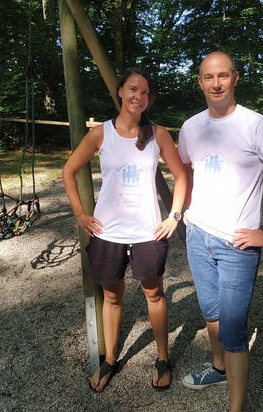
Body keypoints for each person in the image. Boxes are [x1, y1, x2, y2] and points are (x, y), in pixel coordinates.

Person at [178, 52, 263, 411]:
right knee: (211, 313)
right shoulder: (190, 127)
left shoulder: (255, 125)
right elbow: (184, 170)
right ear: (200, 82)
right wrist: (184, 212)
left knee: (233, 333)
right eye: (208, 77)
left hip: (237, 245)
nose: (216, 83)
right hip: (197, 235)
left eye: (223, 76)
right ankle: (218, 369)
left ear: (235, 78)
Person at [62, 67, 187, 392]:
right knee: (112, 297)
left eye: (145, 92)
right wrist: (80, 215)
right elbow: (69, 170)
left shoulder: (158, 134)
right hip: (108, 234)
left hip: (148, 233)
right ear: (120, 91)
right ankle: (110, 359)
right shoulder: (101, 133)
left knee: (154, 294)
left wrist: (174, 216)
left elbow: (181, 176)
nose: (139, 97)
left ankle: (162, 358)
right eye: (133, 89)